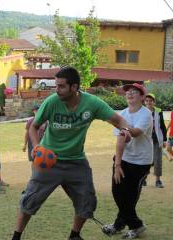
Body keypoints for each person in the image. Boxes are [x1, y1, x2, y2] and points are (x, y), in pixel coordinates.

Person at [12, 66, 130, 240]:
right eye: (56, 85)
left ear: (74, 87)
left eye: (61, 86)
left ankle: (74, 235)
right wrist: (36, 146)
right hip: (48, 161)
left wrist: (125, 129)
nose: (56, 90)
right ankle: (16, 237)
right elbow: (34, 126)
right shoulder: (52, 102)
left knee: (87, 201)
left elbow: (118, 119)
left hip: (76, 161)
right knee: (30, 200)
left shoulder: (92, 103)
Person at [102, 83, 153, 239]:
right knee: (117, 192)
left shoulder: (145, 114)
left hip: (141, 161)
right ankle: (136, 225)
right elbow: (121, 140)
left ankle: (120, 225)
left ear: (142, 97)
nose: (129, 93)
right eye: (127, 92)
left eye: (134, 92)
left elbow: (136, 133)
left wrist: (119, 124)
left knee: (129, 196)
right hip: (123, 159)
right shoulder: (122, 114)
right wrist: (117, 163)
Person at [144, 93, 167, 188]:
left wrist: (165, 139)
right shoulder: (142, 111)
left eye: (151, 101)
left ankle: (158, 180)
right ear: (145, 102)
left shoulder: (158, 111)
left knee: (158, 159)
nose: (149, 102)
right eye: (147, 101)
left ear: (154, 102)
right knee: (146, 159)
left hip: (157, 139)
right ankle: (143, 179)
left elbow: (162, 125)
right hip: (145, 140)